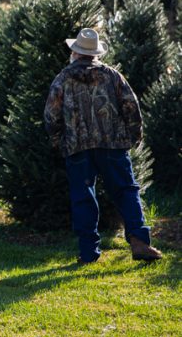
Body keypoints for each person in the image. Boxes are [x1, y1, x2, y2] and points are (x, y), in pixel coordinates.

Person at [44, 28, 163, 264]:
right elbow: (131, 106)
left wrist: (58, 141)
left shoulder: (62, 79)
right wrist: (134, 135)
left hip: (77, 147)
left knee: (83, 196)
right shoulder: (112, 75)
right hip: (112, 144)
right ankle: (139, 242)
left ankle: (88, 252)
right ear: (95, 54)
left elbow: (51, 114)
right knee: (126, 190)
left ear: (75, 53)